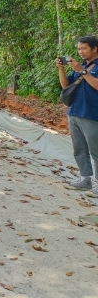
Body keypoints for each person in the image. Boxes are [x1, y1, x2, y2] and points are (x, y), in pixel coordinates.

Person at [57, 36, 98, 196]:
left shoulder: (87, 67)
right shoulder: (83, 66)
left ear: (94, 48)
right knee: (79, 149)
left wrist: (82, 70)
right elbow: (66, 85)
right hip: (75, 112)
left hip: (92, 114)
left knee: (96, 151)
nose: (80, 52)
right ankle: (84, 179)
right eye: (79, 49)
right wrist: (61, 69)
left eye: (84, 48)